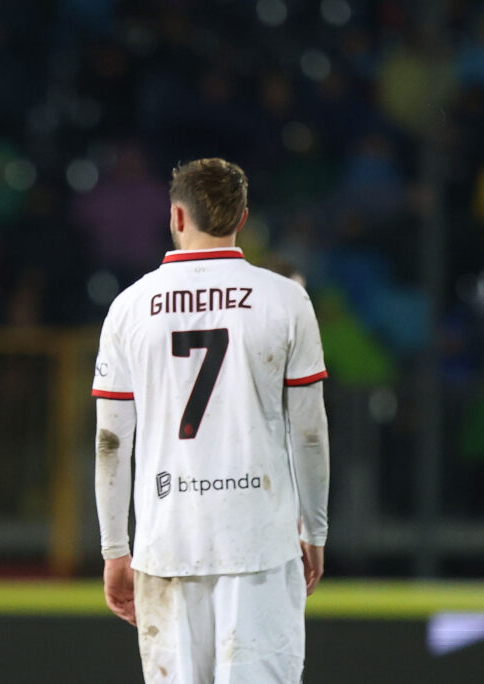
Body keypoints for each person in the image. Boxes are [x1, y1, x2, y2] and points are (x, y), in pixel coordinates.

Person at [92, 158, 329, 683]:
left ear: (178, 215)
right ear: (243, 217)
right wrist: (314, 528)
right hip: (260, 541)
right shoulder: (286, 300)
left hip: (167, 540)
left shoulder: (129, 307)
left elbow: (111, 442)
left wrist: (115, 549)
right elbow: (309, 432)